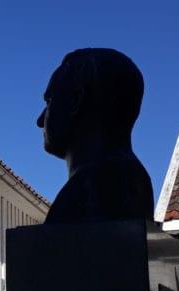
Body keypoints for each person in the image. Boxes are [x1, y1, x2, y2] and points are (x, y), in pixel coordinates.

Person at [36, 48, 154, 224]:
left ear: (76, 100)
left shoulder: (91, 189)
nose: (40, 120)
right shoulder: (131, 182)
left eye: (49, 101)